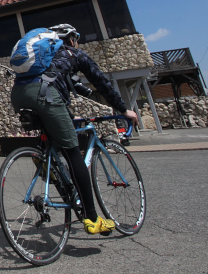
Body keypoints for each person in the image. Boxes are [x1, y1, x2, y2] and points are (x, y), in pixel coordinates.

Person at [11, 23, 139, 235]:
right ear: (70, 39)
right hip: (44, 94)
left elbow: (69, 82)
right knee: (72, 151)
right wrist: (123, 109)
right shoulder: (74, 53)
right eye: (76, 38)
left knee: (55, 134)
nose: (77, 42)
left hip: (19, 94)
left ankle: (45, 161)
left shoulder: (46, 59)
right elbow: (101, 82)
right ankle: (92, 218)